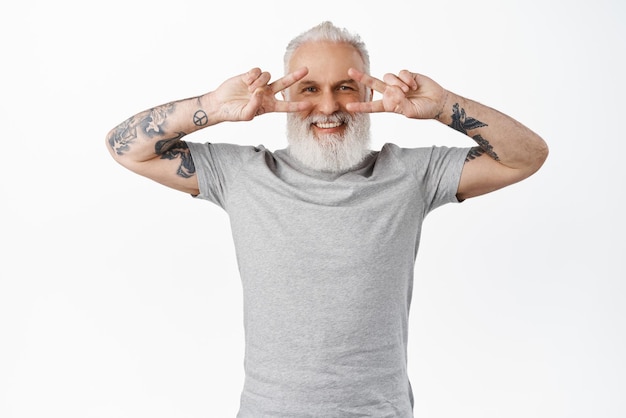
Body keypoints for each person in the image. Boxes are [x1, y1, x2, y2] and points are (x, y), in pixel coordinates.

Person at [106, 21, 548, 418]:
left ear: (369, 95)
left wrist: (445, 105)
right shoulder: (242, 174)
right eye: (310, 89)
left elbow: (524, 157)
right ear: (285, 98)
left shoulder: (412, 175)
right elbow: (125, 147)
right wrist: (212, 107)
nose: (328, 106)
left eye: (346, 87)